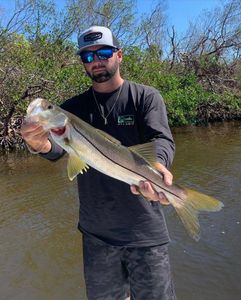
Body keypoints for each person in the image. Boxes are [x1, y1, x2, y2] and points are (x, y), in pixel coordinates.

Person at [21, 26, 176, 300]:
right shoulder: (72, 109)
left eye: (103, 53)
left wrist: (159, 166)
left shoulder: (145, 97)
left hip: (144, 231)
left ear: (119, 54)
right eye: (87, 57)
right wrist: (37, 143)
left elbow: (161, 140)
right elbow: (56, 152)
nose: (96, 61)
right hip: (97, 234)